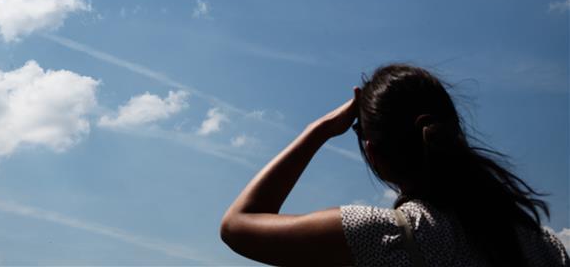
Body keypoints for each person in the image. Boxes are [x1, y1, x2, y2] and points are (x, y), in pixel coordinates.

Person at [220, 63, 568, 266]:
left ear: (374, 154)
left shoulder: (383, 235)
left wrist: (319, 130)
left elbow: (237, 225)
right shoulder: (543, 245)